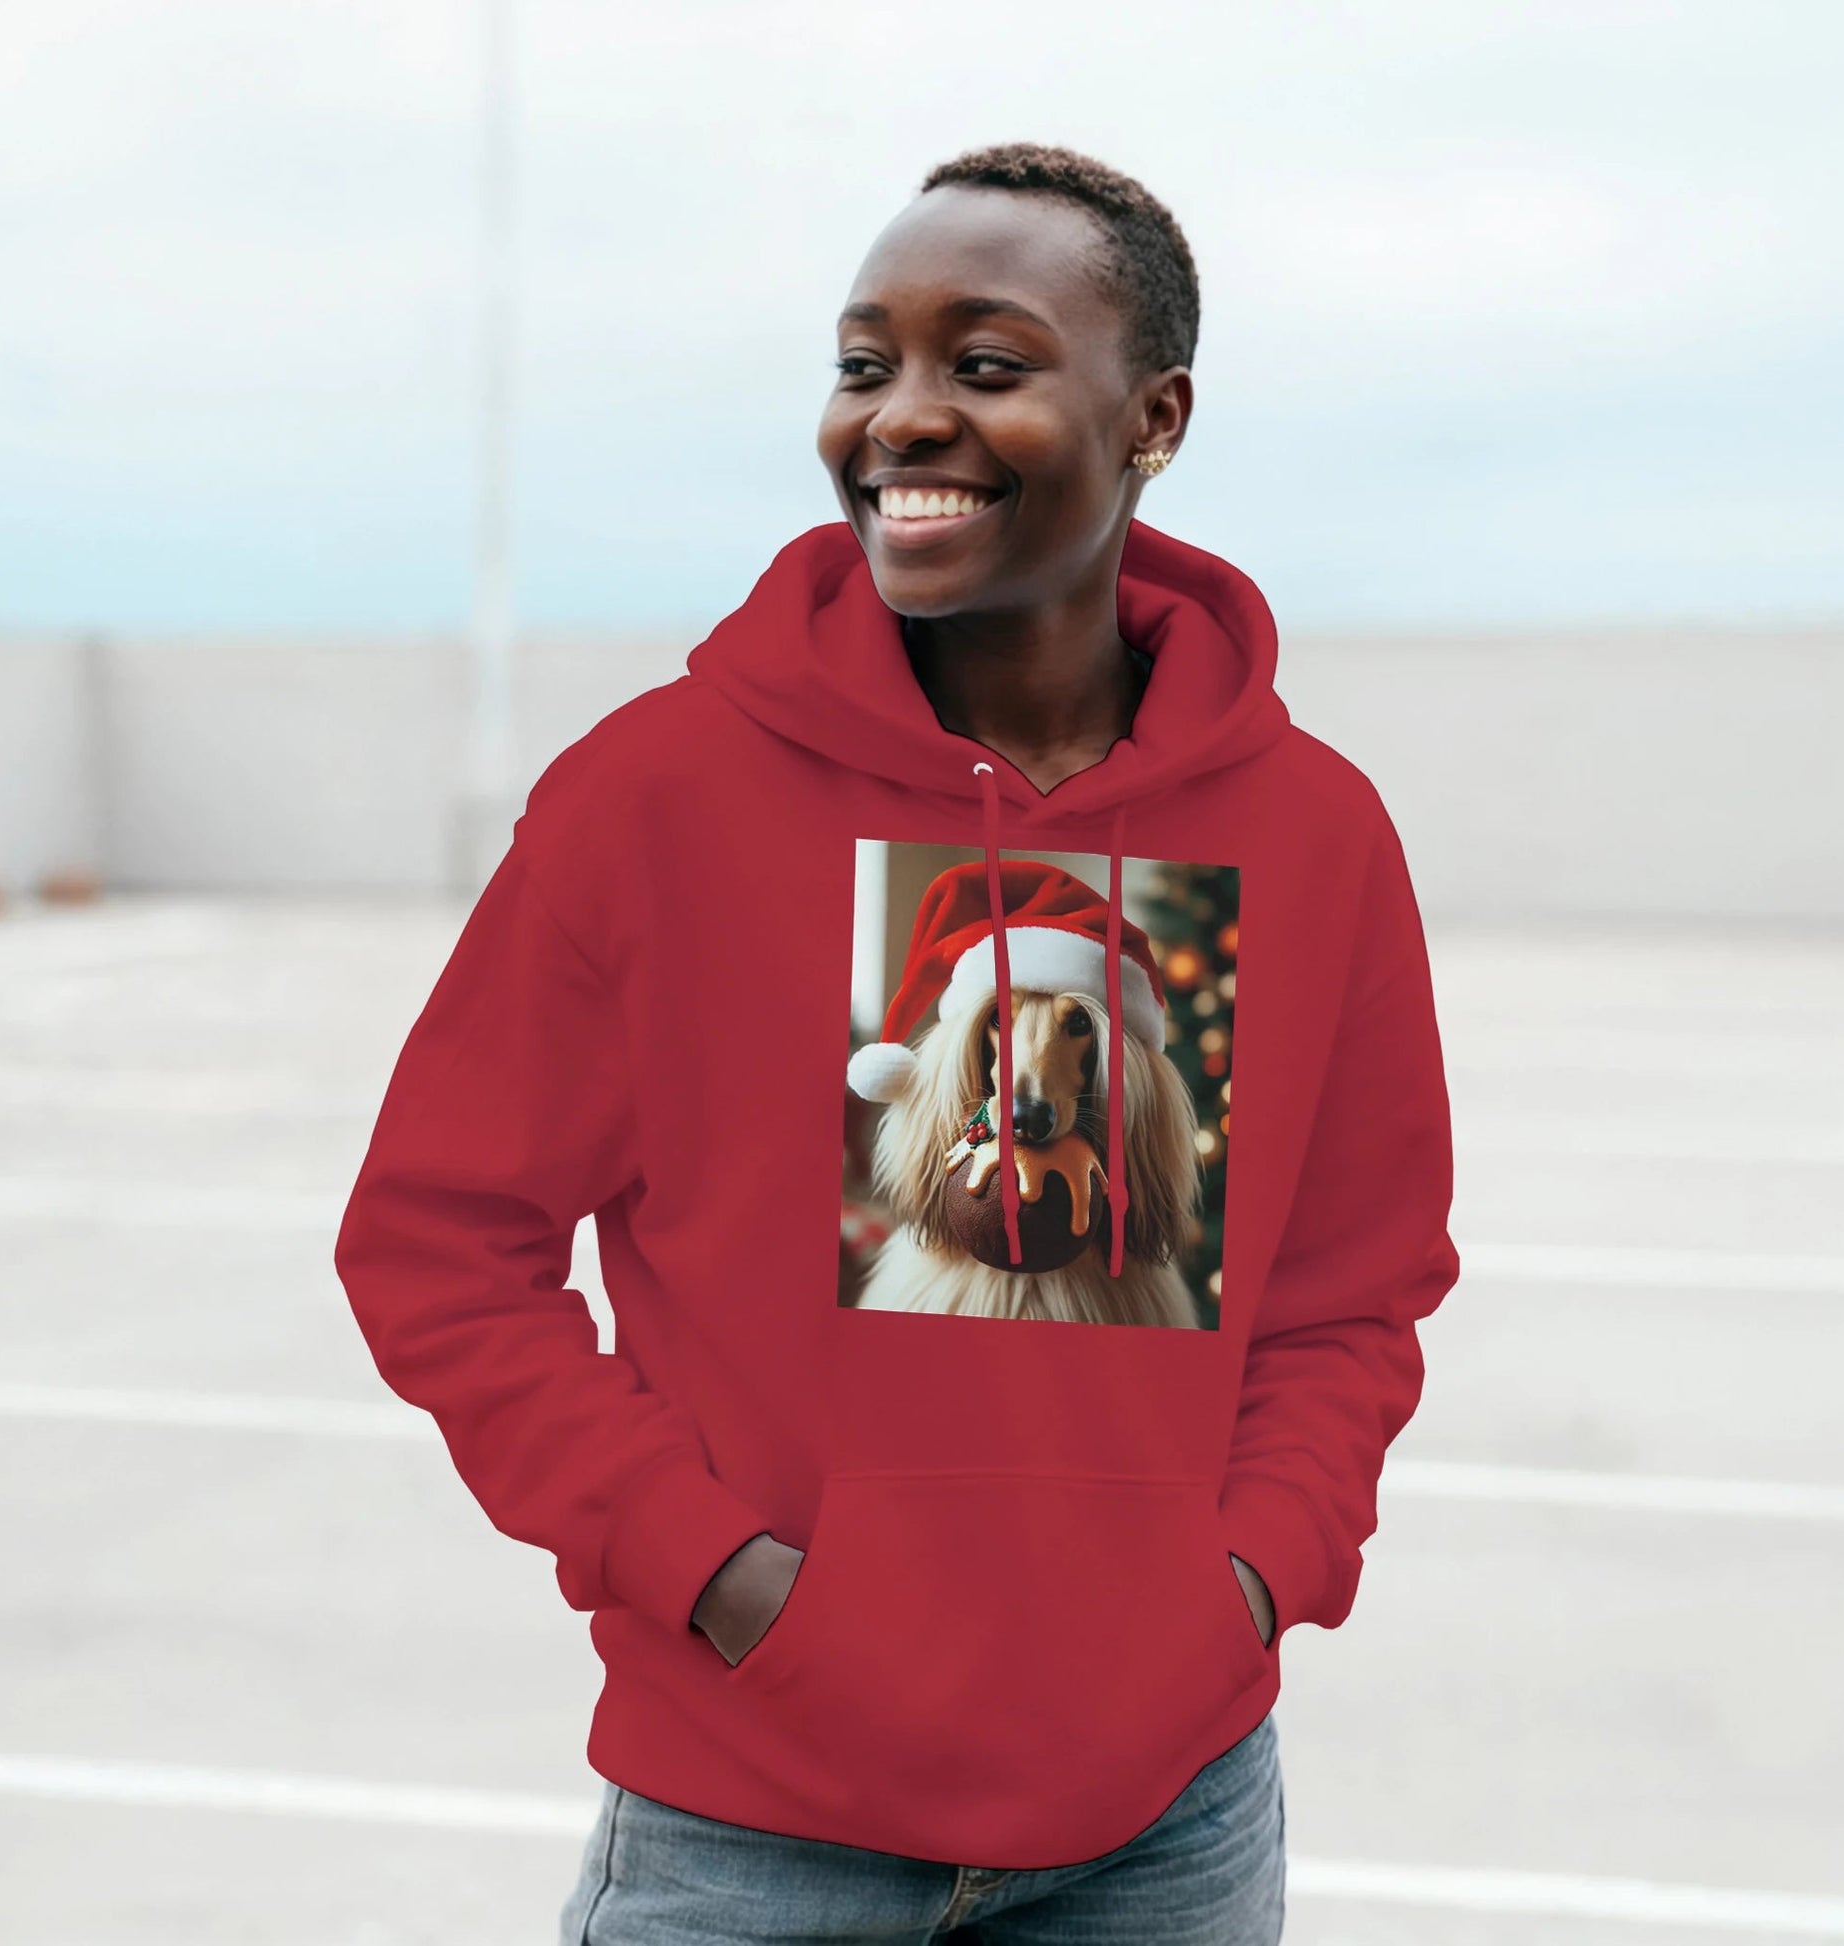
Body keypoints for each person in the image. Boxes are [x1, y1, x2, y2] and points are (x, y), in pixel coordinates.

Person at [334, 141, 1459, 1944]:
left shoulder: (1313, 833)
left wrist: (1257, 1573)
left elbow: (1355, 1281)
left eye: (985, 366)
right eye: (868, 366)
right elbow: (435, 1245)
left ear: (1153, 413)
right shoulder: (651, 798)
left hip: (1167, 1826)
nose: (901, 418)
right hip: (749, 1825)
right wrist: (711, 1572)